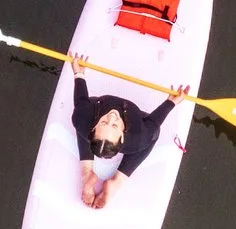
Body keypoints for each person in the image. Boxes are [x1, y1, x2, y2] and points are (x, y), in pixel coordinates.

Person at [71, 69, 181, 209]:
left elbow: (81, 100)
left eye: (105, 123)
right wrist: (171, 102)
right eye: (114, 125)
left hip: (97, 110)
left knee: (82, 123)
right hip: (129, 117)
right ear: (123, 136)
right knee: (153, 134)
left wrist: (78, 74)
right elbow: (154, 123)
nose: (112, 117)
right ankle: (115, 181)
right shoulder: (138, 137)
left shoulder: (82, 117)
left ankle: (87, 172)